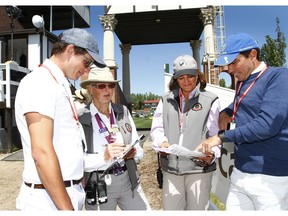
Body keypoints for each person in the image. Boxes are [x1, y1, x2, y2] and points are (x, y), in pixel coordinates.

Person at [15, 28, 106, 211]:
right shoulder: (40, 82)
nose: (87, 70)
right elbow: (41, 152)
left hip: (64, 193)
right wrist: (67, 209)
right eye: (86, 62)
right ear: (70, 50)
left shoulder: (59, 84)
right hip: (47, 200)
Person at [196, 32, 288, 210]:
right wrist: (226, 111)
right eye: (227, 64)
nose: (230, 70)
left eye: (234, 62)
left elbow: (266, 125)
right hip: (240, 172)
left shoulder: (279, 77)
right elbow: (242, 102)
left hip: (271, 178)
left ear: (253, 55)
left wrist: (221, 137)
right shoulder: (242, 81)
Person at [150, 54, 221, 210]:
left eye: (190, 76)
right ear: (176, 79)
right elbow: (156, 129)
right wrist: (162, 142)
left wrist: (212, 153)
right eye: (181, 77)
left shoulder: (211, 100)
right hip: (171, 169)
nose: (187, 81)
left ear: (197, 75)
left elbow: (215, 134)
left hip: (199, 170)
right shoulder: (165, 99)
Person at [78, 65, 151, 210]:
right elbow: (76, 161)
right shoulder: (81, 118)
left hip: (128, 179)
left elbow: (138, 145)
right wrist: (103, 157)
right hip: (99, 184)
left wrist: (134, 152)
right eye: (101, 86)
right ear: (91, 89)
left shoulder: (123, 111)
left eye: (111, 85)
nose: (107, 90)